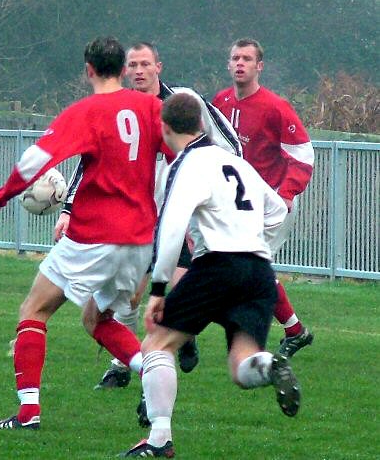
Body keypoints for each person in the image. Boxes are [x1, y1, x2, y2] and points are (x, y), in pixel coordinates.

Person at [0, 36, 172, 430]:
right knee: (97, 320)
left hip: (94, 236)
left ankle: (28, 412)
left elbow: (35, 160)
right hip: (138, 241)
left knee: (34, 310)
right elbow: (180, 157)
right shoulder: (153, 107)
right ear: (123, 69)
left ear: (88, 70)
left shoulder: (86, 111)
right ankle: (150, 375)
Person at [55, 42, 241, 391]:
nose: (139, 71)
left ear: (159, 66)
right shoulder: (120, 108)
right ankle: (123, 364)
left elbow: (229, 143)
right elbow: (89, 161)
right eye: (133, 65)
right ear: (124, 71)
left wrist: (218, 187)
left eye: (145, 64)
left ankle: (181, 334)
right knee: (127, 294)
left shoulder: (184, 103)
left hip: (180, 212)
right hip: (135, 213)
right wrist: (68, 209)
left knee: (179, 282)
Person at [122, 92, 299, 457]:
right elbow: (278, 211)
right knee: (242, 364)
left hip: (218, 265)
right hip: (259, 269)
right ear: (202, 124)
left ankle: (159, 439)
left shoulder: (185, 165)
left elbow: (170, 228)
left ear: (164, 127)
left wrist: (158, 287)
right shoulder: (236, 162)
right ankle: (269, 365)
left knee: (156, 343)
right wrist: (253, 238)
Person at [212, 38, 315, 357]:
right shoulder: (221, 102)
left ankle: (251, 339)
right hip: (238, 203)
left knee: (248, 267)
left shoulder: (275, 107)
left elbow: (303, 155)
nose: (239, 63)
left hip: (272, 204)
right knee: (247, 268)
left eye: (247, 58)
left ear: (260, 66)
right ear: (228, 64)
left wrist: (286, 194)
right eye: (235, 58)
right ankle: (295, 330)